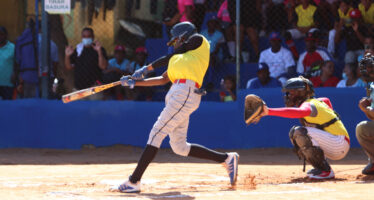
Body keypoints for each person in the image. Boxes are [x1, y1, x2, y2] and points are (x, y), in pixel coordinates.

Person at [116, 22, 239, 193]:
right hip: (176, 93)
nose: (174, 43)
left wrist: (146, 68)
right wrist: (134, 82)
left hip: (186, 92)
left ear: (183, 36)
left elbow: (171, 55)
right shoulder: (176, 60)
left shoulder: (199, 41)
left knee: (157, 133)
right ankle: (227, 159)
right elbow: (162, 79)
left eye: (176, 40)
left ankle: (134, 180)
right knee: (179, 147)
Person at [260, 76, 350, 179]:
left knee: (299, 132)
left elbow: (301, 112)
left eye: (291, 92)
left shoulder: (309, 104)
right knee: (296, 133)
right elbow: (326, 100)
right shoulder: (315, 102)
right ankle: (321, 165)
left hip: (338, 143)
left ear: (301, 92)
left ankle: (325, 171)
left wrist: (268, 111)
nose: (288, 95)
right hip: (336, 142)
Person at [65, 27, 108, 93]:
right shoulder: (78, 50)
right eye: (84, 36)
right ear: (81, 37)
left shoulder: (99, 49)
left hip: (94, 88)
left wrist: (99, 52)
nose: (86, 38)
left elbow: (103, 66)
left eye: (89, 36)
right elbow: (69, 67)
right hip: (79, 88)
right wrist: (67, 56)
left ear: (93, 37)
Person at [356, 53, 374, 175]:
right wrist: (366, 109)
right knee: (365, 128)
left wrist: (367, 109)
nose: (366, 71)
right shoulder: (372, 85)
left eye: (369, 68)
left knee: (362, 128)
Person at [0, 26, 15, 100]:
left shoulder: (12, 48)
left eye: (1, 34)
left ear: (6, 35)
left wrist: (15, 74)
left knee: (7, 107)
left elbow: (17, 64)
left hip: (8, 83)